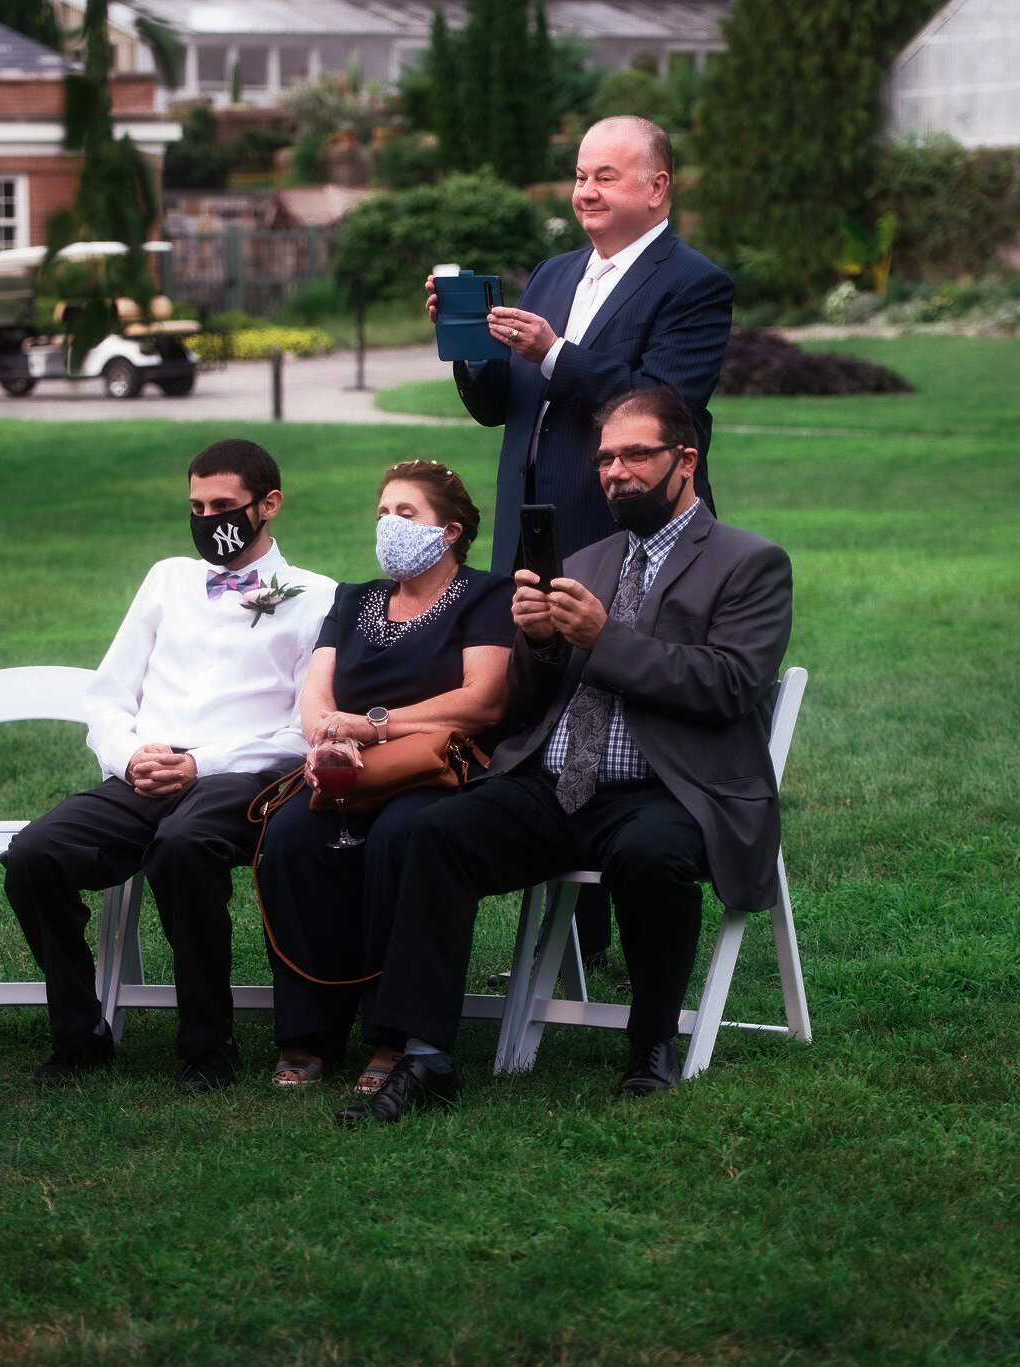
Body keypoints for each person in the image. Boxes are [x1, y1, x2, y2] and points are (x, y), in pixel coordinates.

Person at [337, 385, 793, 1126]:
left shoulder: (749, 563)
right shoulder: (586, 559)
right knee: (435, 831)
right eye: (605, 458)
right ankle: (425, 1054)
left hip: (668, 788)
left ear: (686, 460)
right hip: (553, 787)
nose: (616, 472)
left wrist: (603, 637)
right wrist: (541, 643)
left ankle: (650, 1044)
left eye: (636, 455)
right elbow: (528, 697)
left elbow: (730, 686)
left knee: (650, 854)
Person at [2, 439, 334, 1092]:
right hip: (144, 772)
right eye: (197, 506)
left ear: (269, 504)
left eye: (223, 505)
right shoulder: (167, 580)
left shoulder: (314, 596)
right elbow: (107, 694)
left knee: (182, 847)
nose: (209, 519)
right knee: (34, 855)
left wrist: (198, 763)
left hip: (239, 777)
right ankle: (80, 1034)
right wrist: (130, 755)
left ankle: (210, 1045)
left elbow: (301, 732)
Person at [256, 461, 513, 1093]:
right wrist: (327, 737)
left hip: (435, 771)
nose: (389, 525)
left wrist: (372, 726)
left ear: (449, 531)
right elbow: (316, 695)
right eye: (382, 513)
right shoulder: (353, 599)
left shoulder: (486, 596)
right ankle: (309, 1032)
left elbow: (482, 701)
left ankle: (394, 1035)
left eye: (406, 513)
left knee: (401, 839)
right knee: (289, 838)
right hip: (348, 769)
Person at [426, 114, 735, 572]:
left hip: (621, 531)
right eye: (580, 177)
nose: (586, 192)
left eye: (605, 178)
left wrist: (553, 354)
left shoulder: (696, 282)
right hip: (524, 533)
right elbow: (497, 410)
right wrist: (471, 341)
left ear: (657, 187)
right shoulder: (551, 272)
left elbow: (665, 406)